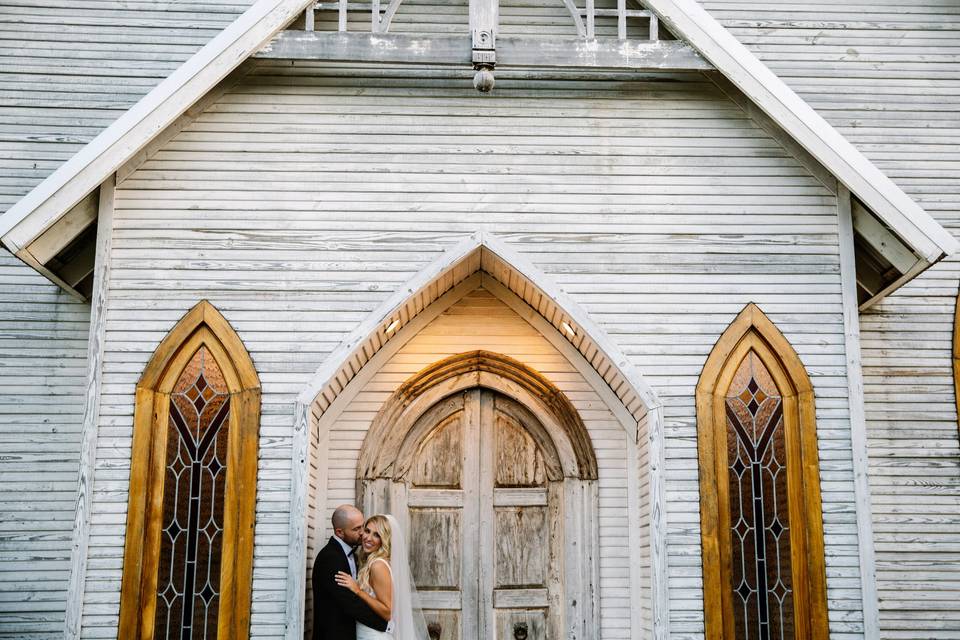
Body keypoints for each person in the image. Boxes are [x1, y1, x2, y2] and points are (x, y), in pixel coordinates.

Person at [334, 514, 429, 640]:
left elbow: (387, 612)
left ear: (385, 539)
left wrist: (358, 591)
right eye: (367, 531)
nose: (368, 538)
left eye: (377, 535)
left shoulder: (378, 565)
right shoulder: (374, 562)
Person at [313, 505, 390, 640]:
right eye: (357, 529)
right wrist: (385, 626)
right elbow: (350, 603)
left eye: (363, 527)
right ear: (339, 532)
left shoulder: (356, 556)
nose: (363, 534)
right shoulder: (331, 558)